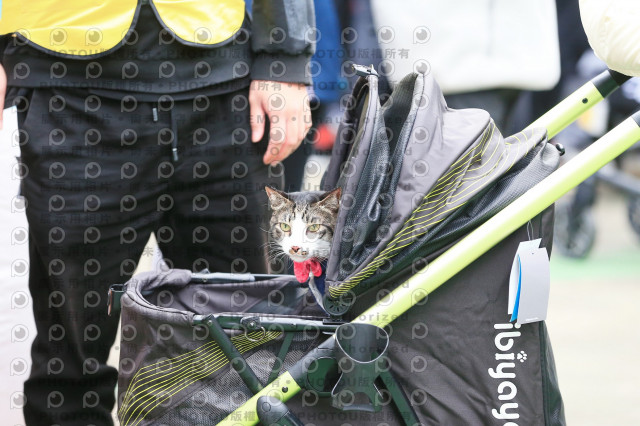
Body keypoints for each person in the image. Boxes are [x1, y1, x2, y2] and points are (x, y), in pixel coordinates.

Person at [0, 1, 315, 424]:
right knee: (70, 369)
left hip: (224, 90)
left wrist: (283, 59)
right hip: (67, 88)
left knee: (252, 350)